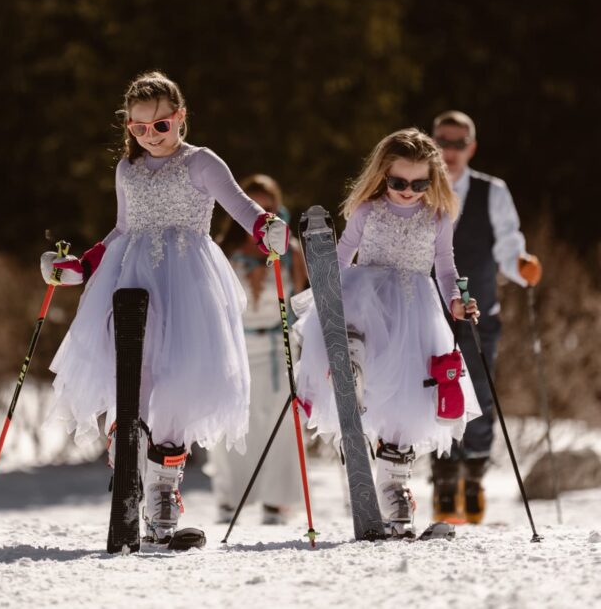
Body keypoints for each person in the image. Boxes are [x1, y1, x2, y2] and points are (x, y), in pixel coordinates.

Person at [39, 71, 289, 544]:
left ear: (181, 119)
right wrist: (82, 267)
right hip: (131, 276)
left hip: (189, 282)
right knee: (138, 368)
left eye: (161, 126)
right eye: (138, 128)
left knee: (179, 381)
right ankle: (129, 454)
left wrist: (265, 228)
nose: (150, 136)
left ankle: (162, 495)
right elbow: (121, 228)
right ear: (127, 127)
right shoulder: (126, 169)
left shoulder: (201, 163)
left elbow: (240, 206)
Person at [291, 127, 482, 537]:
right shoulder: (367, 211)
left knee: (408, 403)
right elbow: (341, 259)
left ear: (433, 180)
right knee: (362, 362)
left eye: (419, 183)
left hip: (415, 310)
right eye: (398, 182)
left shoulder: (438, 215)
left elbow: (446, 268)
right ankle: (348, 378)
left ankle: (394, 490)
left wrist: (456, 301)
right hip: (367, 299)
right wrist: (322, 300)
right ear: (383, 175)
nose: (408, 192)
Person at [429, 110, 542, 524]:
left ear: (471, 148)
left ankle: (473, 476)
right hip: (427, 310)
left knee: (477, 390)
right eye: (443, 140)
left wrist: (522, 266)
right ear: (432, 141)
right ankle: (442, 476)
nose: (451, 150)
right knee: (431, 390)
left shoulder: (491, 191)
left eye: (459, 143)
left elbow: (508, 246)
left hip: (479, 311)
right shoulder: (416, 186)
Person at [205, 174, 307, 525]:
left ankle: (278, 500)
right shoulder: (223, 250)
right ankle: (230, 497)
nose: (263, 215)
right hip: (238, 344)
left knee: (280, 421)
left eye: (270, 208)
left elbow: (301, 298)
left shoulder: (291, 252)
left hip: (279, 343)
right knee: (235, 419)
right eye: (255, 207)